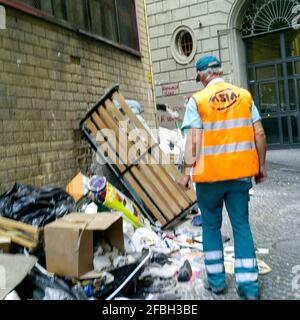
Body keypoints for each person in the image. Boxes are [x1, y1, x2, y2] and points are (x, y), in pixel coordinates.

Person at [180, 55, 267, 300]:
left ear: (201, 75)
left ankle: (217, 282)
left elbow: (194, 139)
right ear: (219, 71)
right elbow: (259, 133)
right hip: (240, 177)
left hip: (209, 180)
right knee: (241, 227)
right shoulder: (244, 97)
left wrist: (186, 174)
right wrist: (261, 167)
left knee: (210, 227)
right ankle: (249, 288)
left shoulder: (197, 100)